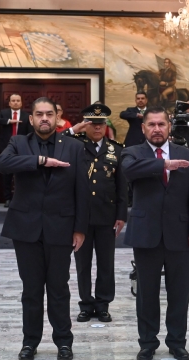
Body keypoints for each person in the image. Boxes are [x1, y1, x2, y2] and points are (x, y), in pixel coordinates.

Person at [0, 97, 89, 360]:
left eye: (49, 114)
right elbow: (4, 164)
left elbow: (82, 190)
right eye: (39, 114)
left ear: (57, 118)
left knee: (59, 288)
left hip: (61, 226)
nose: (45, 118)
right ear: (31, 118)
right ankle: (30, 342)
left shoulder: (72, 146)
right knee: (31, 289)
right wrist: (39, 161)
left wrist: (80, 228)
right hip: (26, 228)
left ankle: (63, 342)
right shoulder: (19, 143)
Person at [121, 106, 189, 360]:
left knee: (179, 292)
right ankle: (147, 343)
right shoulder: (132, 153)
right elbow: (128, 172)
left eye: (161, 124)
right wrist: (164, 164)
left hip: (180, 234)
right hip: (146, 234)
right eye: (151, 125)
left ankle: (177, 342)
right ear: (143, 128)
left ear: (169, 127)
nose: (157, 129)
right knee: (147, 293)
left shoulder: (186, 153)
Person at [62, 104, 127, 323]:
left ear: (106, 125)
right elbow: (54, 144)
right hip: (81, 217)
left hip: (107, 215)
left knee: (106, 262)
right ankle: (86, 303)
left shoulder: (116, 149)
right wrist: (73, 129)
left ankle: (103, 304)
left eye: (101, 123)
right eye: (92, 123)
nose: (97, 127)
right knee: (83, 263)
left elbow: (121, 187)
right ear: (85, 124)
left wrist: (121, 215)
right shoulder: (74, 145)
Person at [0, 94, 32, 208]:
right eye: (13, 101)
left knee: (22, 175)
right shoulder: (4, 113)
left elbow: (30, 133)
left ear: (21, 103)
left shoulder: (26, 116)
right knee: (7, 175)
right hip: (6, 148)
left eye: (18, 100)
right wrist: (9, 121)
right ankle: (8, 198)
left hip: (22, 148)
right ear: (9, 103)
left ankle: (21, 199)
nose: (15, 102)